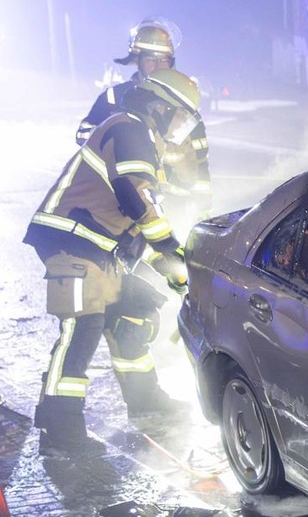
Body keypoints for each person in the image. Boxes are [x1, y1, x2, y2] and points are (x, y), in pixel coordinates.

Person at [28, 69, 200, 456]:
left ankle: (145, 400)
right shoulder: (129, 129)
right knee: (81, 333)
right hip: (72, 242)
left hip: (103, 251)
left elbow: (138, 223)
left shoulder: (145, 139)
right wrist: (171, 250)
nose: (183, 128)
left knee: (135, 312)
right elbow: (136, 197)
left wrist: (175, 270)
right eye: (181, 116)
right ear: (160, 106)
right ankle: (60, 431)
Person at [77, 19, 212, 233]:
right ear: (137, 60)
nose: (158, 66)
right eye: (151, 59)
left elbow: (200, 165)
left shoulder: (182, 104)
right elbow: (85, 137)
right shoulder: (114, 97)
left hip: (172, 204)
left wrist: (204, 210)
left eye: (164, 60)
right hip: (121, 200)